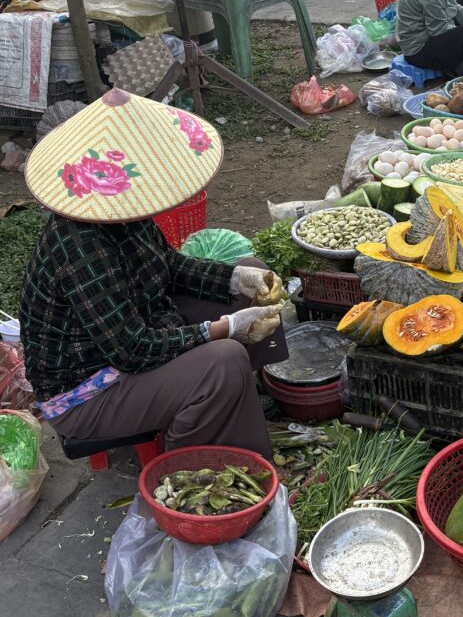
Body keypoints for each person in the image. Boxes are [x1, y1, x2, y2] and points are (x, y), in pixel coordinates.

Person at [19, 89, 288, 461]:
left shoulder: (121, 206)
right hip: (90, 390)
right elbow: (131, 349)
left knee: (254, 276)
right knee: (223, 360)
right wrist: (221, 328)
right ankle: (196, 462)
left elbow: (168, 266)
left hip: (135, 334)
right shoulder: (78, 244)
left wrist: (235, 277)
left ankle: (243, 403)